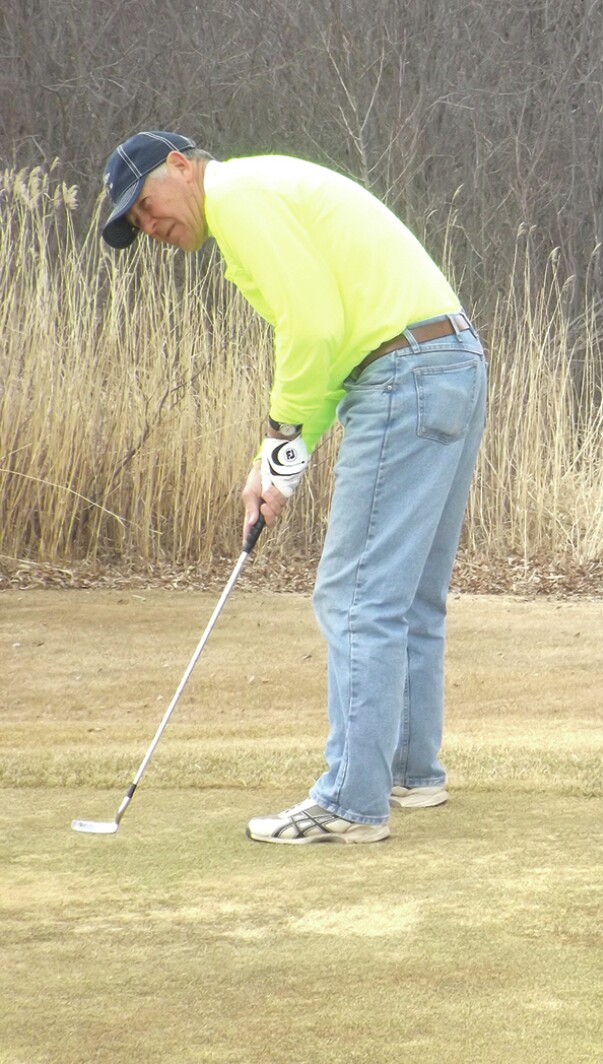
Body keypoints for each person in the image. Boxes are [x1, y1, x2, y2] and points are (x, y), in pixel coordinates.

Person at [101, 131, 489, 841]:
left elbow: (312, 329)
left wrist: (280, 441)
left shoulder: (237, 196)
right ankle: (408, 772)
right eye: (137, 225)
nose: (150, 227)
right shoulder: (260, 191)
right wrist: (279, 462)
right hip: (448, 361)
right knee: (406, 597)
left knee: (354, 594)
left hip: (404, 372)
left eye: (147, 206)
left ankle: (350, 800)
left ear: (181, 167)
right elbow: (329, 342)